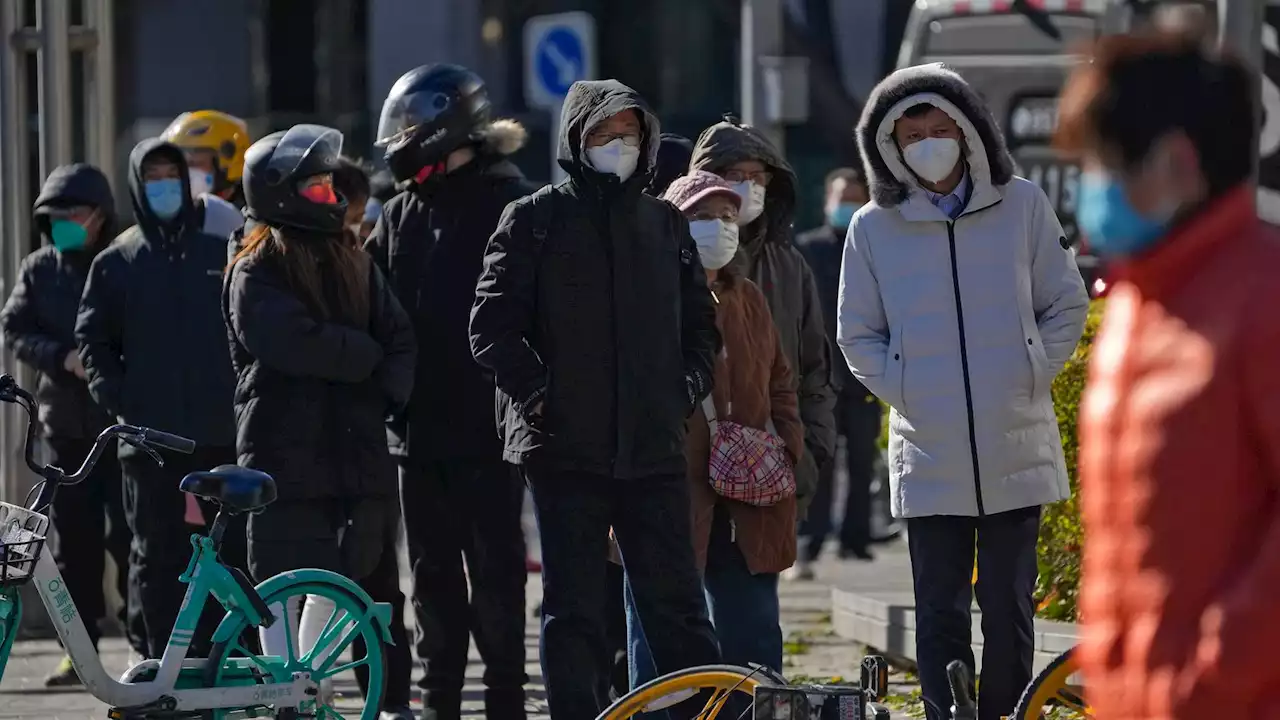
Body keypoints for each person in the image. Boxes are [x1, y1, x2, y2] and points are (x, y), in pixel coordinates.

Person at [837, 63, 1089, 720]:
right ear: (890, 143)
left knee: (1009, 605)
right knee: (939, 607)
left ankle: (1008, 713)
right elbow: (856, 333)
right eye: (911, 130)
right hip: (929, 447)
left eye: (939, 126)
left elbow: (1066, 304)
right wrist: (906, 390)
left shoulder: (1023, 205)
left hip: (1016, 439)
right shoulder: (872, 227)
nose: (927, 140)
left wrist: (1031, 373)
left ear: (968, 129)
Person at [469, 79, 722, 720]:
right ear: (577, 141)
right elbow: (491, 328)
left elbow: (700, 328)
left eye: (631, 135)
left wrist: (685, 388)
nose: (621, 147)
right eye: (606, 135)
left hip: (653, 442)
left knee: (677, 606)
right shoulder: (534, 218)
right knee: (574, 609)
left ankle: (702, 714)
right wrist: (540, 396)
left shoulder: (664, 222)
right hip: (563, 449)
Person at [1058, 35, 1280, 720]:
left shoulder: (1261, 296)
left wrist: (1210, 677)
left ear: (1178, 162)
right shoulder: (1132, 304)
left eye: (1101, 164)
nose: (1088, 188)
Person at [225, 125, 416, 720]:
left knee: (341, 580)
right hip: (282, 453)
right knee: (277, 587)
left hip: (355, 453)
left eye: (329, 182)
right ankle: (285, 697)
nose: (329, 193)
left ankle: (304, 691)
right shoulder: (254, 265)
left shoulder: (352, 258)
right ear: (278, 191)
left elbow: (401, 340)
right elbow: (291, 343)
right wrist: (364, 358)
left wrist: (378, 384)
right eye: (314, 184)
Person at [366, 63, 536, 720]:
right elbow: (377, 309)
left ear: (444, 128)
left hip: (492, 431)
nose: (398, 141)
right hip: (417, 430)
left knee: (497, 576)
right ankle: (439, 706)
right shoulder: (400, 211)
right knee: (431, 583)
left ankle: (504, 705)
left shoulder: (512, 204)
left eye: (408, 127)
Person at [625, 170, 803, 694]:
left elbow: (781, 381)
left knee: (754, 645)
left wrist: (787, 449)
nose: (718, 228)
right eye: (701, 217)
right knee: (660, 648)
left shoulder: (747, 298)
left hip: (750, 497)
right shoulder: (642, 295)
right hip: (665, 492)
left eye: (727, 217)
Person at [75, 138, 249, 660]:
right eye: (152, 177)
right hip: (148, 445)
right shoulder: (117, 261)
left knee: (227, 555)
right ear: (137, 185)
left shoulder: (221, 250)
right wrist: (122, 401)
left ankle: (228, 665)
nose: (165, 186)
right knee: (153, 557)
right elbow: (93, 343)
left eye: (171, 174)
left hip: (220, 435)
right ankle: (159, 667)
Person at [0, 163, 129, 685]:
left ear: (100, 216)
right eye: (55, 217)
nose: (64, 224)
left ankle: (147, 646)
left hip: (120, 427)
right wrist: (60, 357)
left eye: (74, 214)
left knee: (132, 541)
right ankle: (80, 652)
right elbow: (15, 327)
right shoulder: (39, 268)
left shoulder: (123, 262)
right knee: (73, 547)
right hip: (64, 427)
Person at [690, 116, 836, 528]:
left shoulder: (789, 266)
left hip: (765, 477)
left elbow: (813, 369)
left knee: (751, 592)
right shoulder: (667, 260)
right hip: (680, 480)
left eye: (757, 176)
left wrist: (806, 454)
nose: (747, 186)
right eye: (734, 174)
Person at [328, 155, 418, 718]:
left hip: (369, 447)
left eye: (362, 215)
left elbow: (399, 345)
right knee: (310, 584)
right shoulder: (279, 259)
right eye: (348, 213)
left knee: (378, 581)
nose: (356, 227)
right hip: (305, 450)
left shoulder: (368, 265)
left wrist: (384, 392)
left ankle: (387, 698)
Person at [795, 167, 882, 575]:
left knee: (863, 458)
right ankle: (812, 539)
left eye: (855, 199)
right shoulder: (808, 249)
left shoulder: (876, 246)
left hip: (865, 373)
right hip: (820, 373)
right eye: (841, 197)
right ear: (827, 201)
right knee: (821, 459)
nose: (848, 206)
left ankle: (856, 539)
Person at [161, 110, 250, 239]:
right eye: (180, 166)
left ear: (229, 162)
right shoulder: (173, 221)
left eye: (195, 163)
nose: (185, 173)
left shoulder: (253, 224)